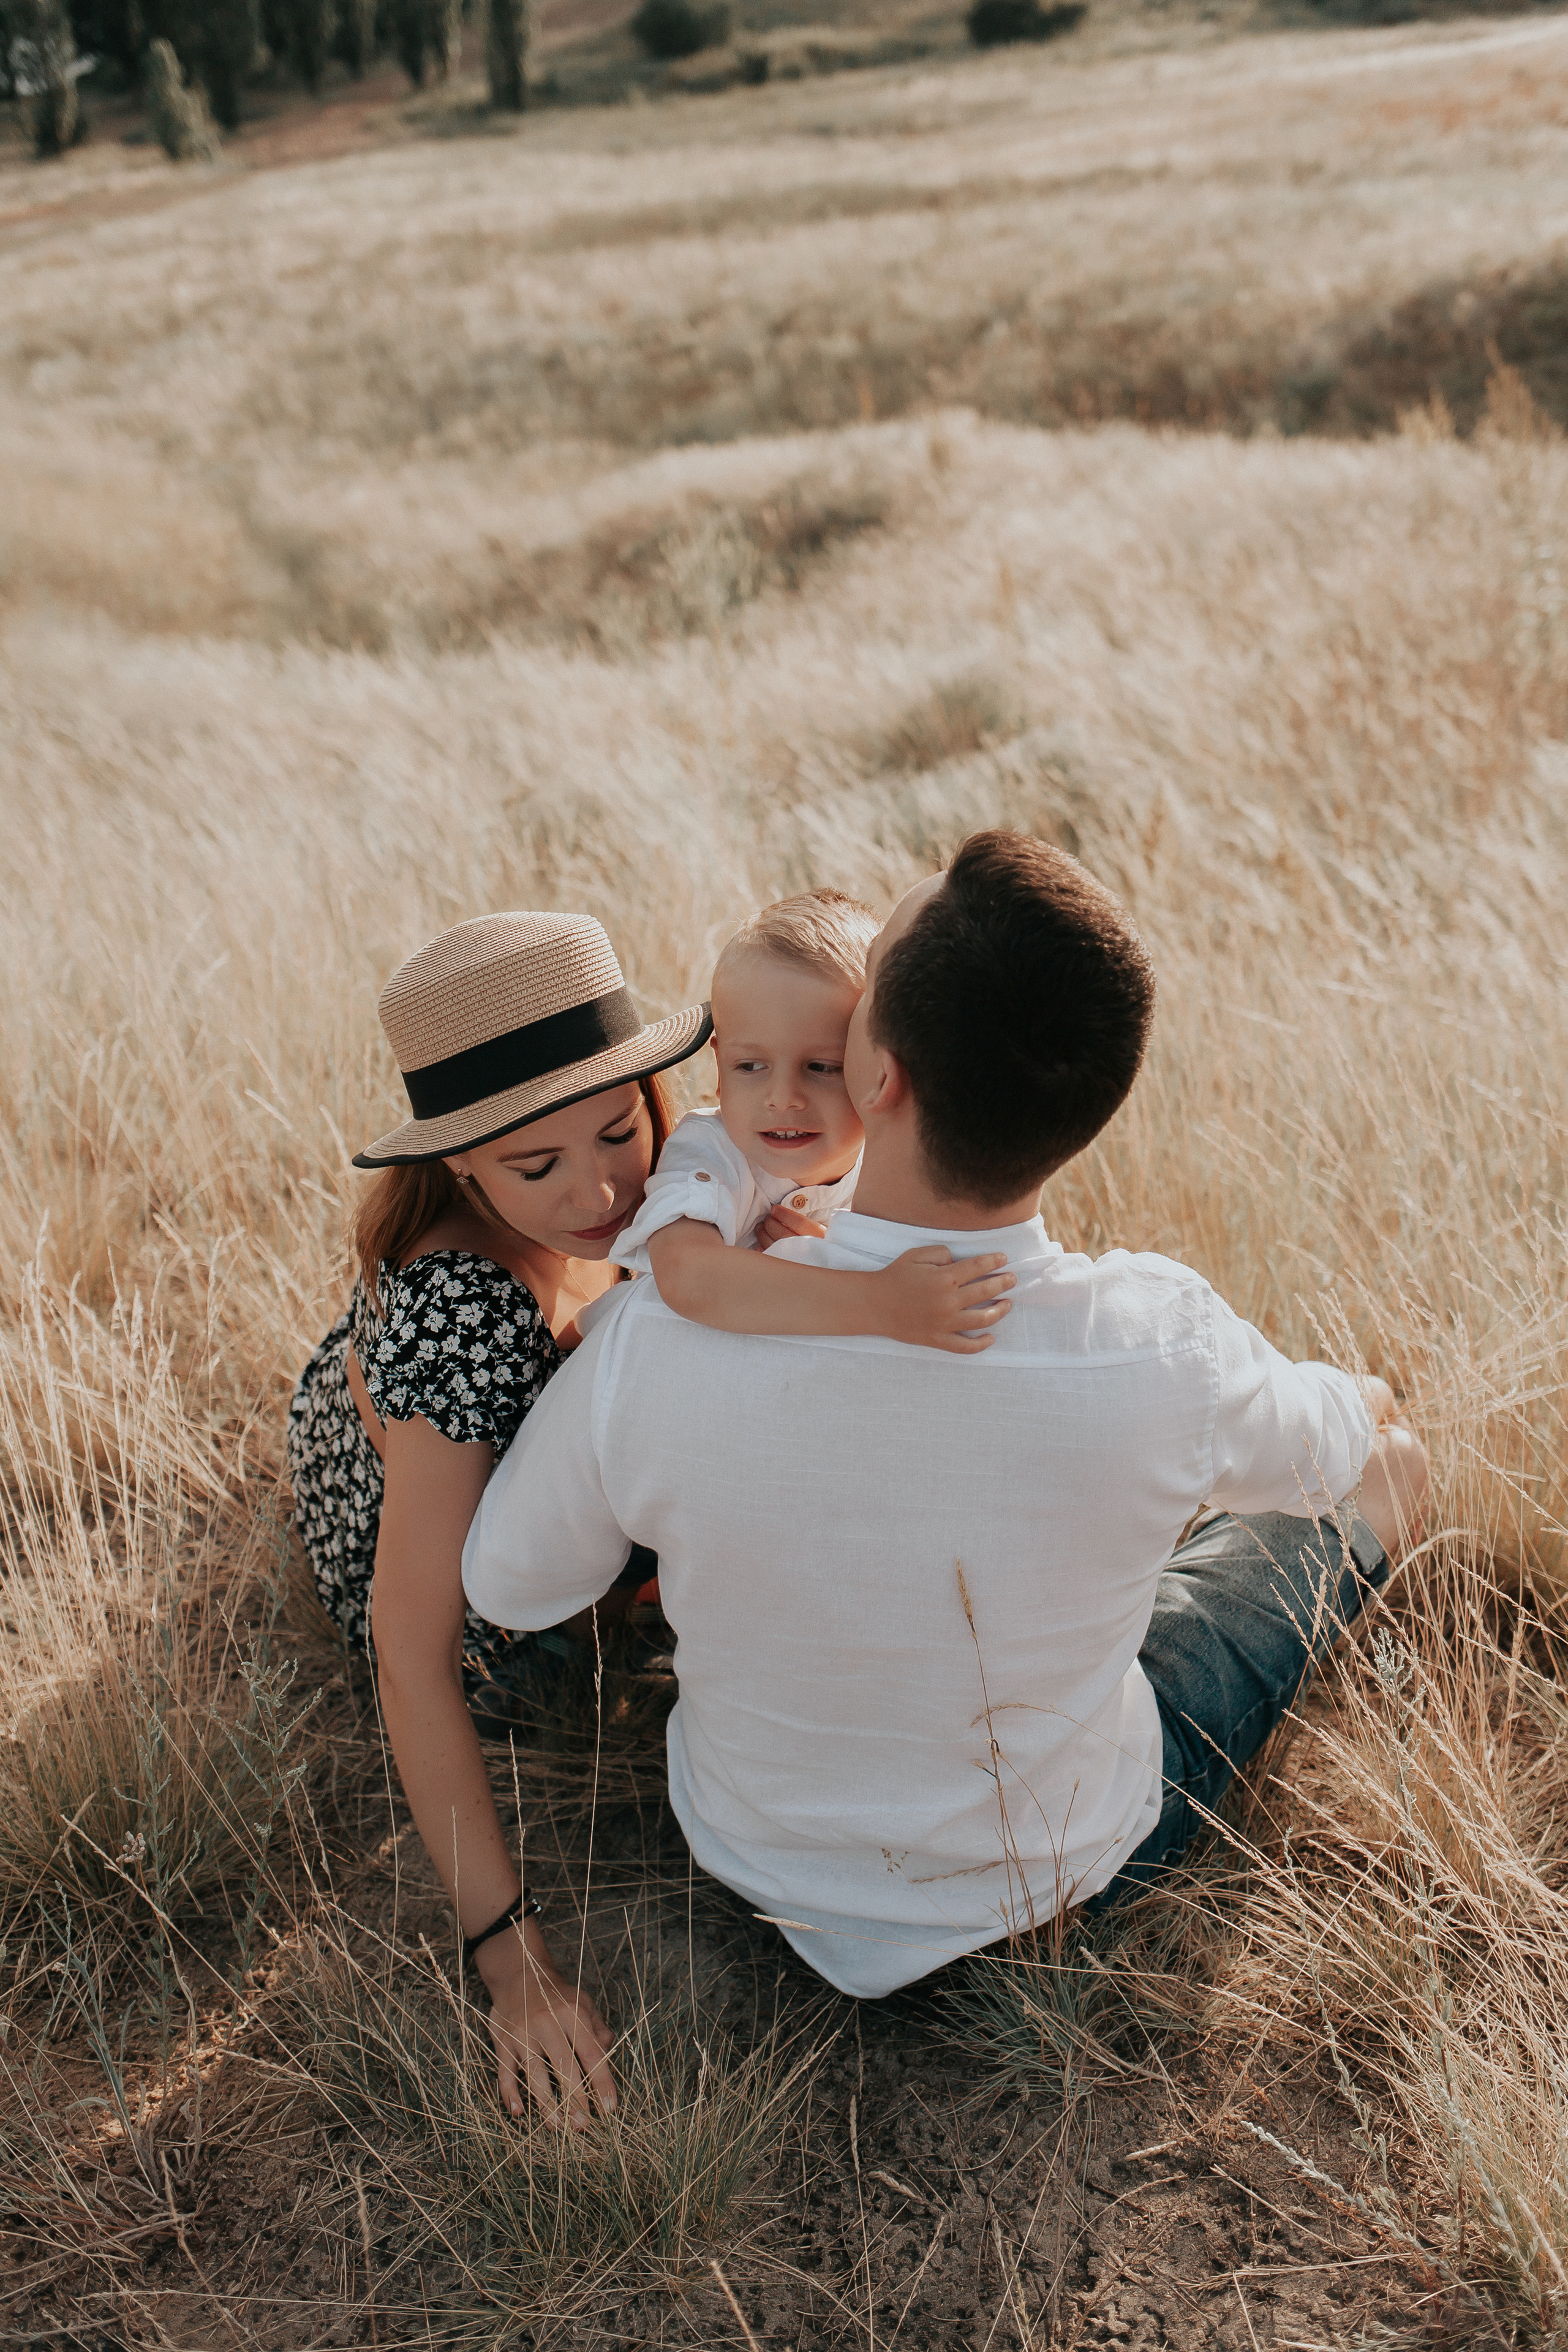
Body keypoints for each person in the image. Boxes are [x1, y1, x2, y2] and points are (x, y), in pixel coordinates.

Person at [463, 831, 1430, 2128]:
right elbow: (1335, 1449)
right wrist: (1360, 1401)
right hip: (1057, 1867)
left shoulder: (665, 1332)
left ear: (874, 1068)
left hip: (757, 1855)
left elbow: (511, 1587)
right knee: (1388, 1476)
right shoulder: (1163, 1340)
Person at [287, 903, 1021, 2121]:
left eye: (617, 1129)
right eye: (537, 1167)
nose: (598, 1187)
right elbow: (408, 1653)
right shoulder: (461, 1313)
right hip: (483, 1614)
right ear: (456, 1164)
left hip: (487, 1447)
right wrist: (511, 1966)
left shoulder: (673, 1180)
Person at [612, 885, 1017, 1350]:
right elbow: (688, 1277)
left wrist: (828, 1252)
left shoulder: (885, 1167)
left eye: (822, 1068)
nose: (783, 1098)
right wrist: (878, 1301)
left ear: (879, 1068)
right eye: (750, 1067)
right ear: (720, 1069)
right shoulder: (711, 1152)